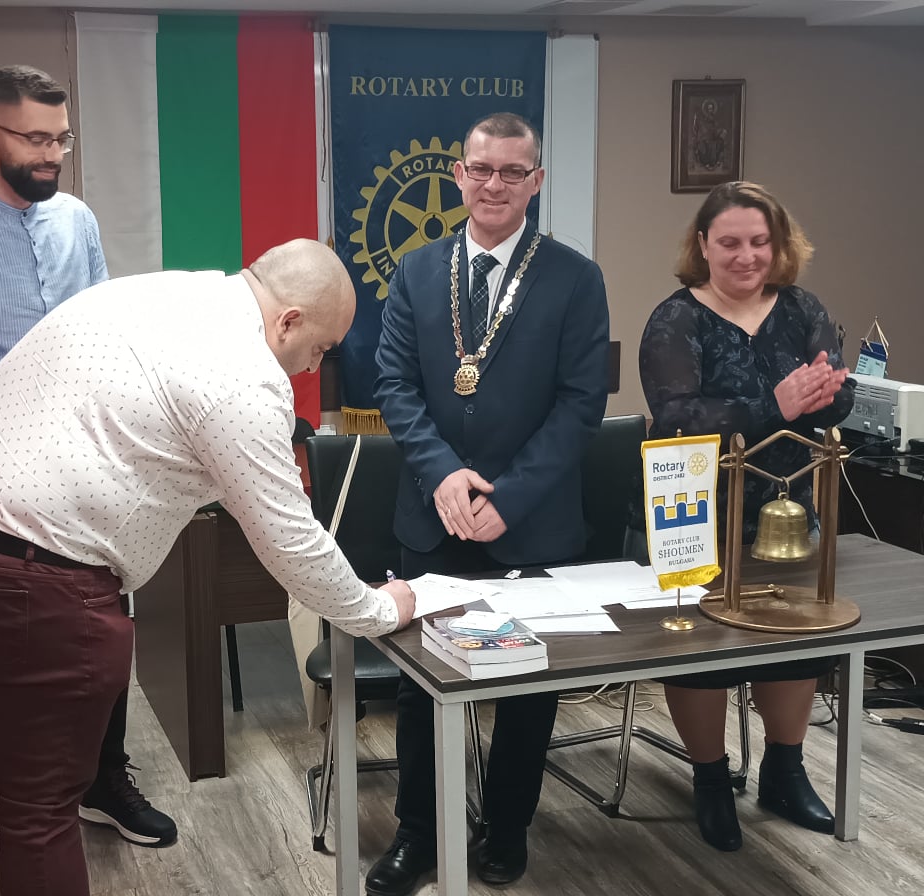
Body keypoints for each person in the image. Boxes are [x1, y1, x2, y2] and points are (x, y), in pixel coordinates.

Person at [0, 239, 419, 896]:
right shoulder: (244, 378)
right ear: (289, 321)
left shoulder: (164, 290)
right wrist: (378, 609)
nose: (313, 367)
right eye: (320, 348)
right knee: (39, 806)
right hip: (31, 575)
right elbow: (290, 542)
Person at [0, 66, 174, 851]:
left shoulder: (77, 221)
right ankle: (36, 784)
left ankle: (104, 779)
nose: (52, 154)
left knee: (103, 616)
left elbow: (101, 325)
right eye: (35, 139)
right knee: (18, 655)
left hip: (86, 465)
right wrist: (34, 388)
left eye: (62, 139)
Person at [368, 112, 611, 895]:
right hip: (432, 514)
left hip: (532, 519)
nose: (494, 185)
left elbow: (581, 404)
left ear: (536, 181)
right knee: (421, 686)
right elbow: (394, 385)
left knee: (529, 686)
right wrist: (443, 474)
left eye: (512, 172)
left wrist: (511, 498)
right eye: (480, 169)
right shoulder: (416, 271)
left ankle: (507, 827)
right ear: (459, 175)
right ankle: (418, 833)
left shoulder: (575, 278)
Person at [637, 180, 853, 852]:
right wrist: (776, 405)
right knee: (700, 654)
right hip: (698, 515)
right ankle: (710, 777)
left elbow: (836, 402)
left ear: (778, 244)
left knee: (795, 642)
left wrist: (827, 395)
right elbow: (677, 420)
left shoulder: (804, 309)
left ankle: (785, 771)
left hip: (787, 512)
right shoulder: (676, 320)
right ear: (703, 245)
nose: (746, 256)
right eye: (729, 242)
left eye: (760, 241)